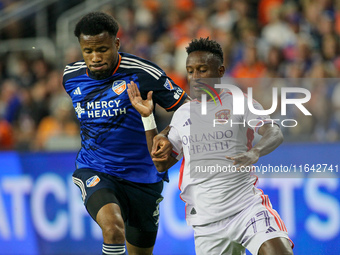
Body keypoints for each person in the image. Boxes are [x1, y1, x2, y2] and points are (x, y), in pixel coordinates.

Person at [127, 37, 294, 255]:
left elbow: (274, 131)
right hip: (207, 223)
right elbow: (160, 164)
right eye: (190, 71)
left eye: (202, 70)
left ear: (221, 70)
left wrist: (256, 151)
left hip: (245, 208)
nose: (195, 78)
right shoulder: (182, 114)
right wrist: (148, 119)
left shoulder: (240, 102)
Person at [62, 12, 188, 255]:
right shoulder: (71, 77)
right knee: (113, 229)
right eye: (88, 51)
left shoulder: (142, 73)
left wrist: (165, 134)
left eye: (102, 49)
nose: (95, 58)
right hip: (96, 168)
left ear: (116, 44)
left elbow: (190, 108)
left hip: (143, 178)